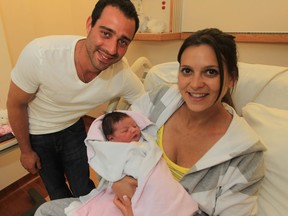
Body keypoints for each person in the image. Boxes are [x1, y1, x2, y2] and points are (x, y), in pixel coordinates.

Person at [116, 28, 265, 215]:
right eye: (187, 71)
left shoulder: (244, 156)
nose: (195, 84)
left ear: (232, 79)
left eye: (210, 72)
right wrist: (115, 180)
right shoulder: (158, 101)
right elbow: (110, 141)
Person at [6, 0, 145, 200]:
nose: (112, 49)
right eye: (106, 33)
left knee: (84, 189)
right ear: (89, 25)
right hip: (38, 132)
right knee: (57, 193)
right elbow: (15, 104)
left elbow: (147, 104)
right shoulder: (41, 56)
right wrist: (26, 151)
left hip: (73, 128)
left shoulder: (121, 73)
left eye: (123, 41)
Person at [35, 111, 198, 216]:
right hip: (132, 191)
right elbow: (110, 169)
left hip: (155, 182)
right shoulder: (115, 151)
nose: (134, 130)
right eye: (125, 130)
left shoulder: (145, 142)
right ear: (111, 139)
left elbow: (155, 157)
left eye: (134, 126)